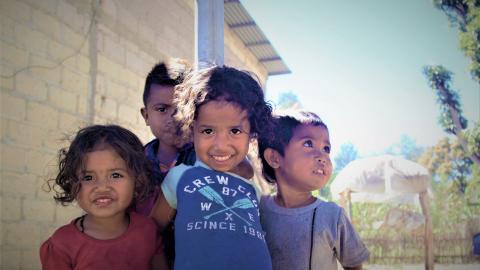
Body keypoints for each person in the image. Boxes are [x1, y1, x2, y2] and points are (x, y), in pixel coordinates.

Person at [150, 65, 273, 270]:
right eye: (208, 131)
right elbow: (150, 234)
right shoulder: (179, 177)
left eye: (235, 130)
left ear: (252, 134)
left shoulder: (253, 190)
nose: (221, 145)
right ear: (192, 130)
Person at [40, 125, 168, 270]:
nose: (101, 187)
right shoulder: (62, 243)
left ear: (138, 181)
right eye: (88, 177)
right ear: (72, 183)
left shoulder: (147, 231)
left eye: (115, 175)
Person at [258, 110, 369, 270]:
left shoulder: (333, 216)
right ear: (275, 158)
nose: (322, 156)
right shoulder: (256, 210)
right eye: (308, 144)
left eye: (326, 148)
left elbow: (354, 266)